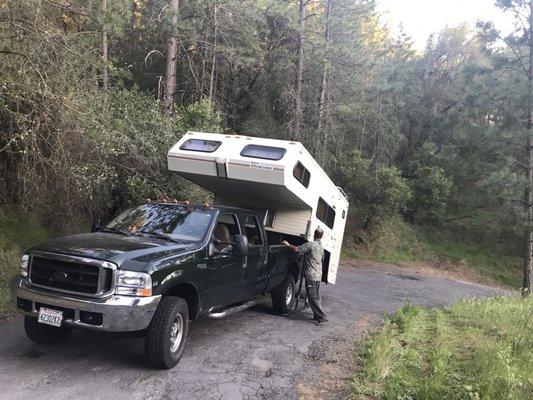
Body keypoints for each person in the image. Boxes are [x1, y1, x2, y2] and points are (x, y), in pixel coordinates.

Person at [282, 228, 328, 325]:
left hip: (311, 275)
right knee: (316, 296)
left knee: (312, 297)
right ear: (321, 236)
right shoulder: (321, 246)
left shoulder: (311, 244)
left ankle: (322, 316)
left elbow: (297, 249)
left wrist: (287, 244)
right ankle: (317, 315)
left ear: (315, 234)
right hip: (318, 275)